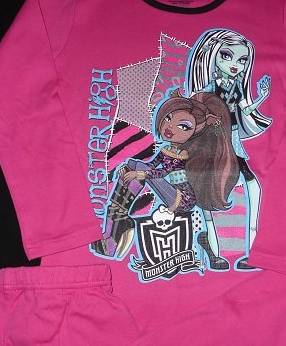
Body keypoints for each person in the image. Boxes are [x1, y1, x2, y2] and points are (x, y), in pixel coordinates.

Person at [99, 88, 239, 269]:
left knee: (138, 168)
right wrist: (127, 169)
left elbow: (162, 172)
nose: (170, 127)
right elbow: (151, 164)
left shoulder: (183, 153)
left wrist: (138, 174)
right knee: (134, 163)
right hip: (170, 191)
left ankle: (119, 223)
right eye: (168, 118)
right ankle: (113, 229)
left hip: (182, 199)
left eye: (183, 126)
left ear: (196, 131)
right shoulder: (167, 149)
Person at [185, 28, 272, 269]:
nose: (235, 64)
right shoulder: (209, 88)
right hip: (212, 138)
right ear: (213, 56)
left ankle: (251, 247)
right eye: (226, 56)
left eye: (242, 60)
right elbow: (197, 108)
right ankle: (214, 249)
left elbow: (245, 109)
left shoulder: (238, 87)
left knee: (248, 178)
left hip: (231, 136)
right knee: (206, 182)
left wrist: (262, 97)